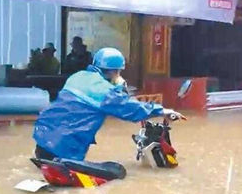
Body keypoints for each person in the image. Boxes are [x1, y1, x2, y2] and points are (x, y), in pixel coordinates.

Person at [33, 47, 183, 161]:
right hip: (64, 150)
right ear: (114, 72)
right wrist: (162, 110)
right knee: (117, 173)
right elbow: (129, 109)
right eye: (119, 72)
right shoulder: (107, 92)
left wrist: (116, 88)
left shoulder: (77, 76)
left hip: (41, 142)